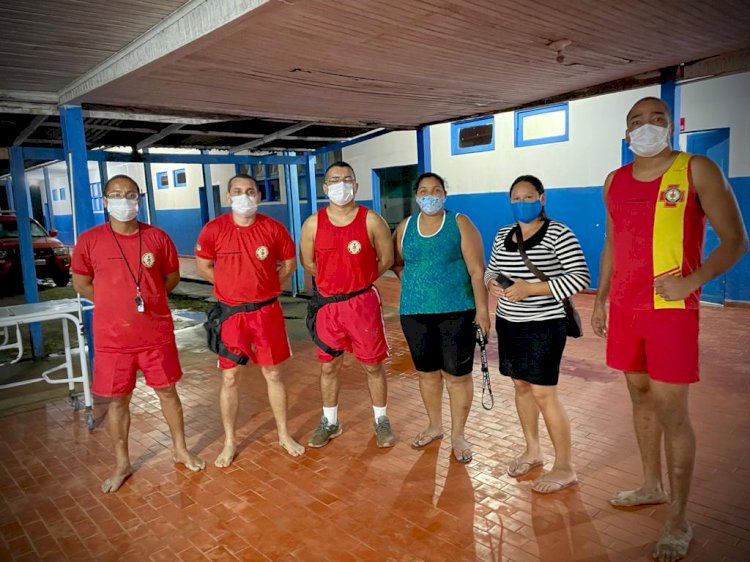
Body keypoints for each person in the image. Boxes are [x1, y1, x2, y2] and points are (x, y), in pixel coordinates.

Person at [591, 96, 748, 561]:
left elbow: (737, 240)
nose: (647, 127)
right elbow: (612, 242)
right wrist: (600, 298)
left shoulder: (696, 169)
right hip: (624, 309)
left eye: (657, 118)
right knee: (638, 395)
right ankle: (650, 485)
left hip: (670, 312)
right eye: (636, 121)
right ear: (625, 134)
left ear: (671, 127)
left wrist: (693, 282)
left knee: (672, 411)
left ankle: (678, 517)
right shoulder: (613, 182)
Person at [71, 174, 205, 493]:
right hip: (113, 340)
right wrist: (112, 302)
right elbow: (81, 283)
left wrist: (150, 297)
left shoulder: (157, 237)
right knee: (118, 402)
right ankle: (122, 463)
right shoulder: (89, 241)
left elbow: (170, 278)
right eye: (116, 194)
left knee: (168, 392)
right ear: (104, 201)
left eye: (130, 194)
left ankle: (180, 449)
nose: (124, 200)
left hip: (155, 334)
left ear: (139, 200)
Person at [485, 175, 590, 493]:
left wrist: (532, 289)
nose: (521, 203)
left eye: (527, 197)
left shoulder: (559, 233)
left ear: (542, 198)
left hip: (545, 324)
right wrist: (492, 282)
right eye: (515, 198)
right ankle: (533, 450)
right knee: (520, 386)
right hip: (509, 322)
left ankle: (565, 466)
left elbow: (580, 278)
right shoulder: (505, 234)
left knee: (544, 393)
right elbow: (492, 268)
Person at [195, 174, 305, 466]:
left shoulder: (273, 228)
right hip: (231, 315)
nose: (244, 196)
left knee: (274, 374)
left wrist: (268, 284)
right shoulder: (214, 229)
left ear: (259, 196)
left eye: (250, 191)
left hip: (266, 312)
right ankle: (230, 441)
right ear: (228, 197)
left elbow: (290, 264)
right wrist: (227, 285)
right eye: (238, 191)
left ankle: (284, 434)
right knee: (230, 378)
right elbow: (203, 264)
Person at [392, 172, 489, 463]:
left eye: (436, 189)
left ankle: (459, 434)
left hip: (457, 312)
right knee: (427, 374)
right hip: (414, 313)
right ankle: (435, 426)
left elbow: (476, 270)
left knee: (457, 377)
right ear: (416, 195)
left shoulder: (459, 223)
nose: (430, 195)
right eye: (424, 190)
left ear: (445, 194)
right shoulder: (406, 226)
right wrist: (414, 285)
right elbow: (397, 263)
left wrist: (483, 311)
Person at [299, 161, 396, 448]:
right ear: (325, 187)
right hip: (328, 307)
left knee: (373, 365)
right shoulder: (313, 223)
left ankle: (381, 420)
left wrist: (358, 281)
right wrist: (335, 283)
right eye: (334, 180)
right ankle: (330, 421)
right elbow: (308, 262)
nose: (340, 185)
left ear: (355, 184)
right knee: (329, 367)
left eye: (346, 179)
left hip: (362, 304)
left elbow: (387, 259)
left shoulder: (371, 220)